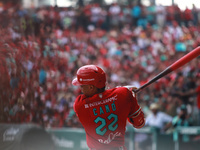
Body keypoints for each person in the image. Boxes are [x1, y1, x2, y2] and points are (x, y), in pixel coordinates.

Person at [72, 65, 145, 150]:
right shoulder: (123, 94)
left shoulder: (79, 105)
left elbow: (102, 98)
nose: (81, 90)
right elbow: (139, 124)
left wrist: (123, 90)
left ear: (91, 87)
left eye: (82, 86)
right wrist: (131, 97)